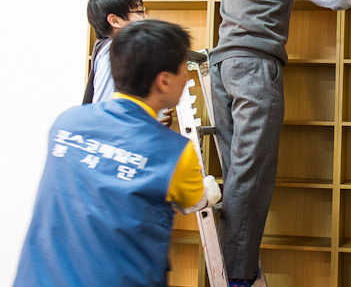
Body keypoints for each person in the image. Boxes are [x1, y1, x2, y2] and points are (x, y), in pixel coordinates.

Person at [208, 0, 351, 286]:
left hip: (221, 67)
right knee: (250, 177)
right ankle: (238, 276)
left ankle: (232, 266)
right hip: (254, 69)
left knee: (237, 174)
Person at [14, 19, 221, 287]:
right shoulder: (174, 152)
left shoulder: (67, 123)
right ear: (164, 81)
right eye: (184, 69)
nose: (186, 76)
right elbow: (194, 200)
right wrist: (211, 188)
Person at [83, 0, 173, 126]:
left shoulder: (117, 50)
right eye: (140, 11)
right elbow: (104, 114)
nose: (146, 17)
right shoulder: (113, 52)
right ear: (115, 20)